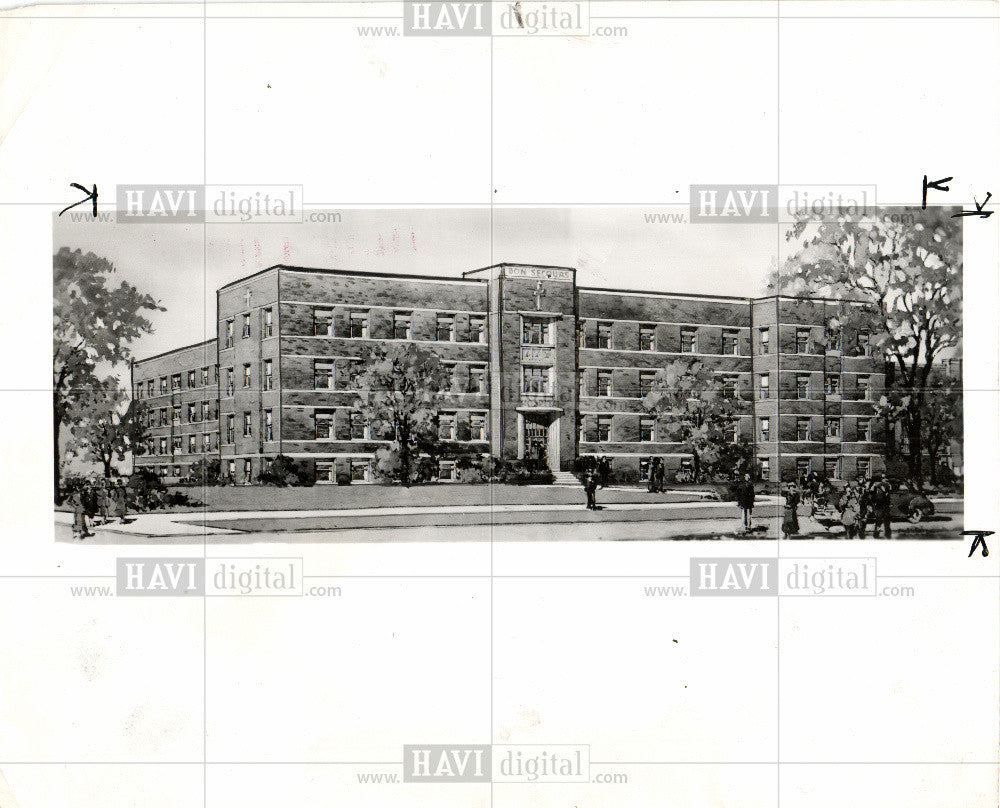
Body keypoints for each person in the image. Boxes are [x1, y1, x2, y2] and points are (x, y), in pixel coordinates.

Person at [869, 474, 893, 539]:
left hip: (885, 506)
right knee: (878, 521)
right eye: (883, 479)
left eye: (885, 479)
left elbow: (888, 494)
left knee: (886, 522)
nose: (884, 480)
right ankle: (876, 535)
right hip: (879, 506)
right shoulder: (876, 486)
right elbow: (872, 494)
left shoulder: (888, 485)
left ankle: (888, 535)